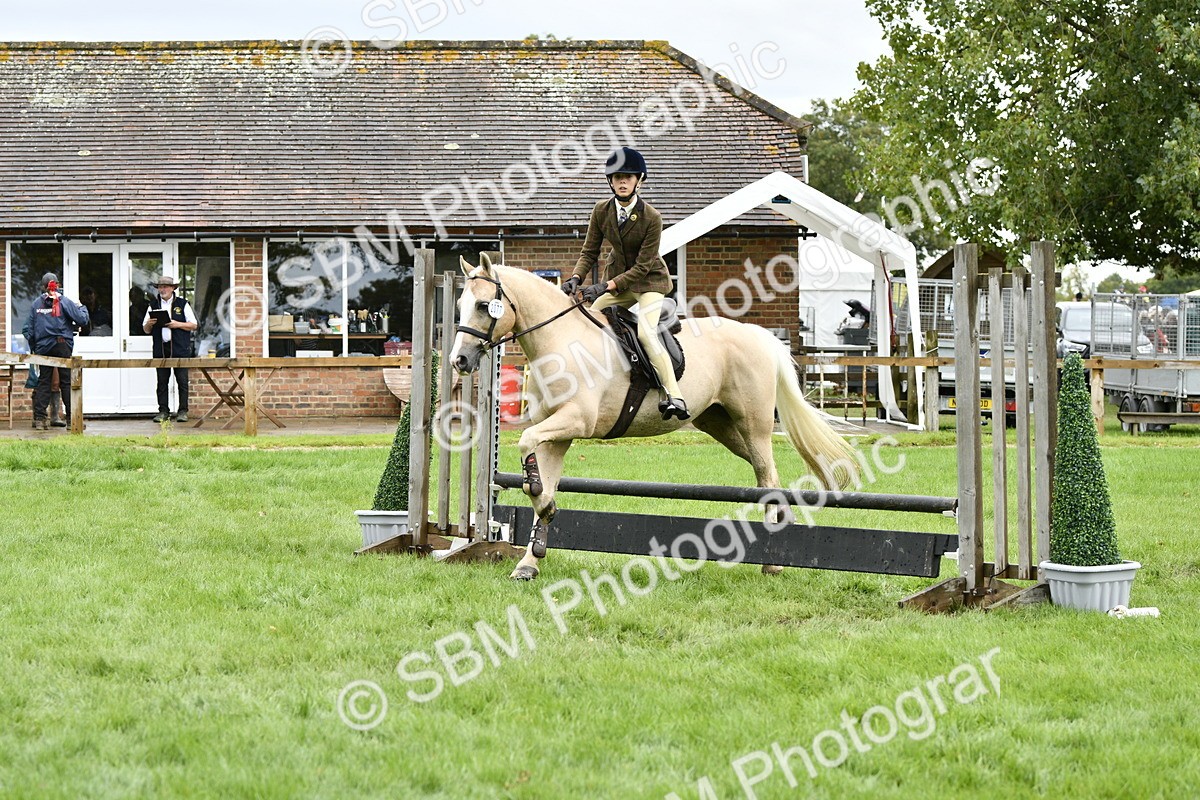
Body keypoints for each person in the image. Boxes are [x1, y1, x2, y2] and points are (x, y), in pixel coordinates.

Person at [563, 146, 688, 420]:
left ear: (638, 181)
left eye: (628, 177)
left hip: (650, 283)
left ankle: (675, 395)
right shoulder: (601, 210)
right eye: (618, 176)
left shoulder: (652, 217)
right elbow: (589, 252)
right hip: (619, 281)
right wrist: (575, 278)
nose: (622, 181)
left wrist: (606, 286)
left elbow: (643, 266)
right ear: (610, 180)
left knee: (645, 333)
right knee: (589, 315)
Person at [24, 272, 89, 430]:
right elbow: (82, 320)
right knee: (66, 382)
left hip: (43, 347)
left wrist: (36, 347)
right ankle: (71, 420)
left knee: (43, 382)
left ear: (42, 286)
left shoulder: (35, 304)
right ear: (57, 285)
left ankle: (40, 420)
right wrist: (81, 307)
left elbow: (28, 330)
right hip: (61, 345)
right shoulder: (64, 301)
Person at [143, 275, 198, 423]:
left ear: (173, 288)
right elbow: (146, 330)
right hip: (161, 349)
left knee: (182, 381)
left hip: (180, 348)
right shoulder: (153, 305)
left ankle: (182, 411)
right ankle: (163, 411)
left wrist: (176, 324)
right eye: (160, 287)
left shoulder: (183, 304)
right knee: (162, 381)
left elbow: (193, 325)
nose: (163, 289)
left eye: (166, 286)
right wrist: (150, 323)